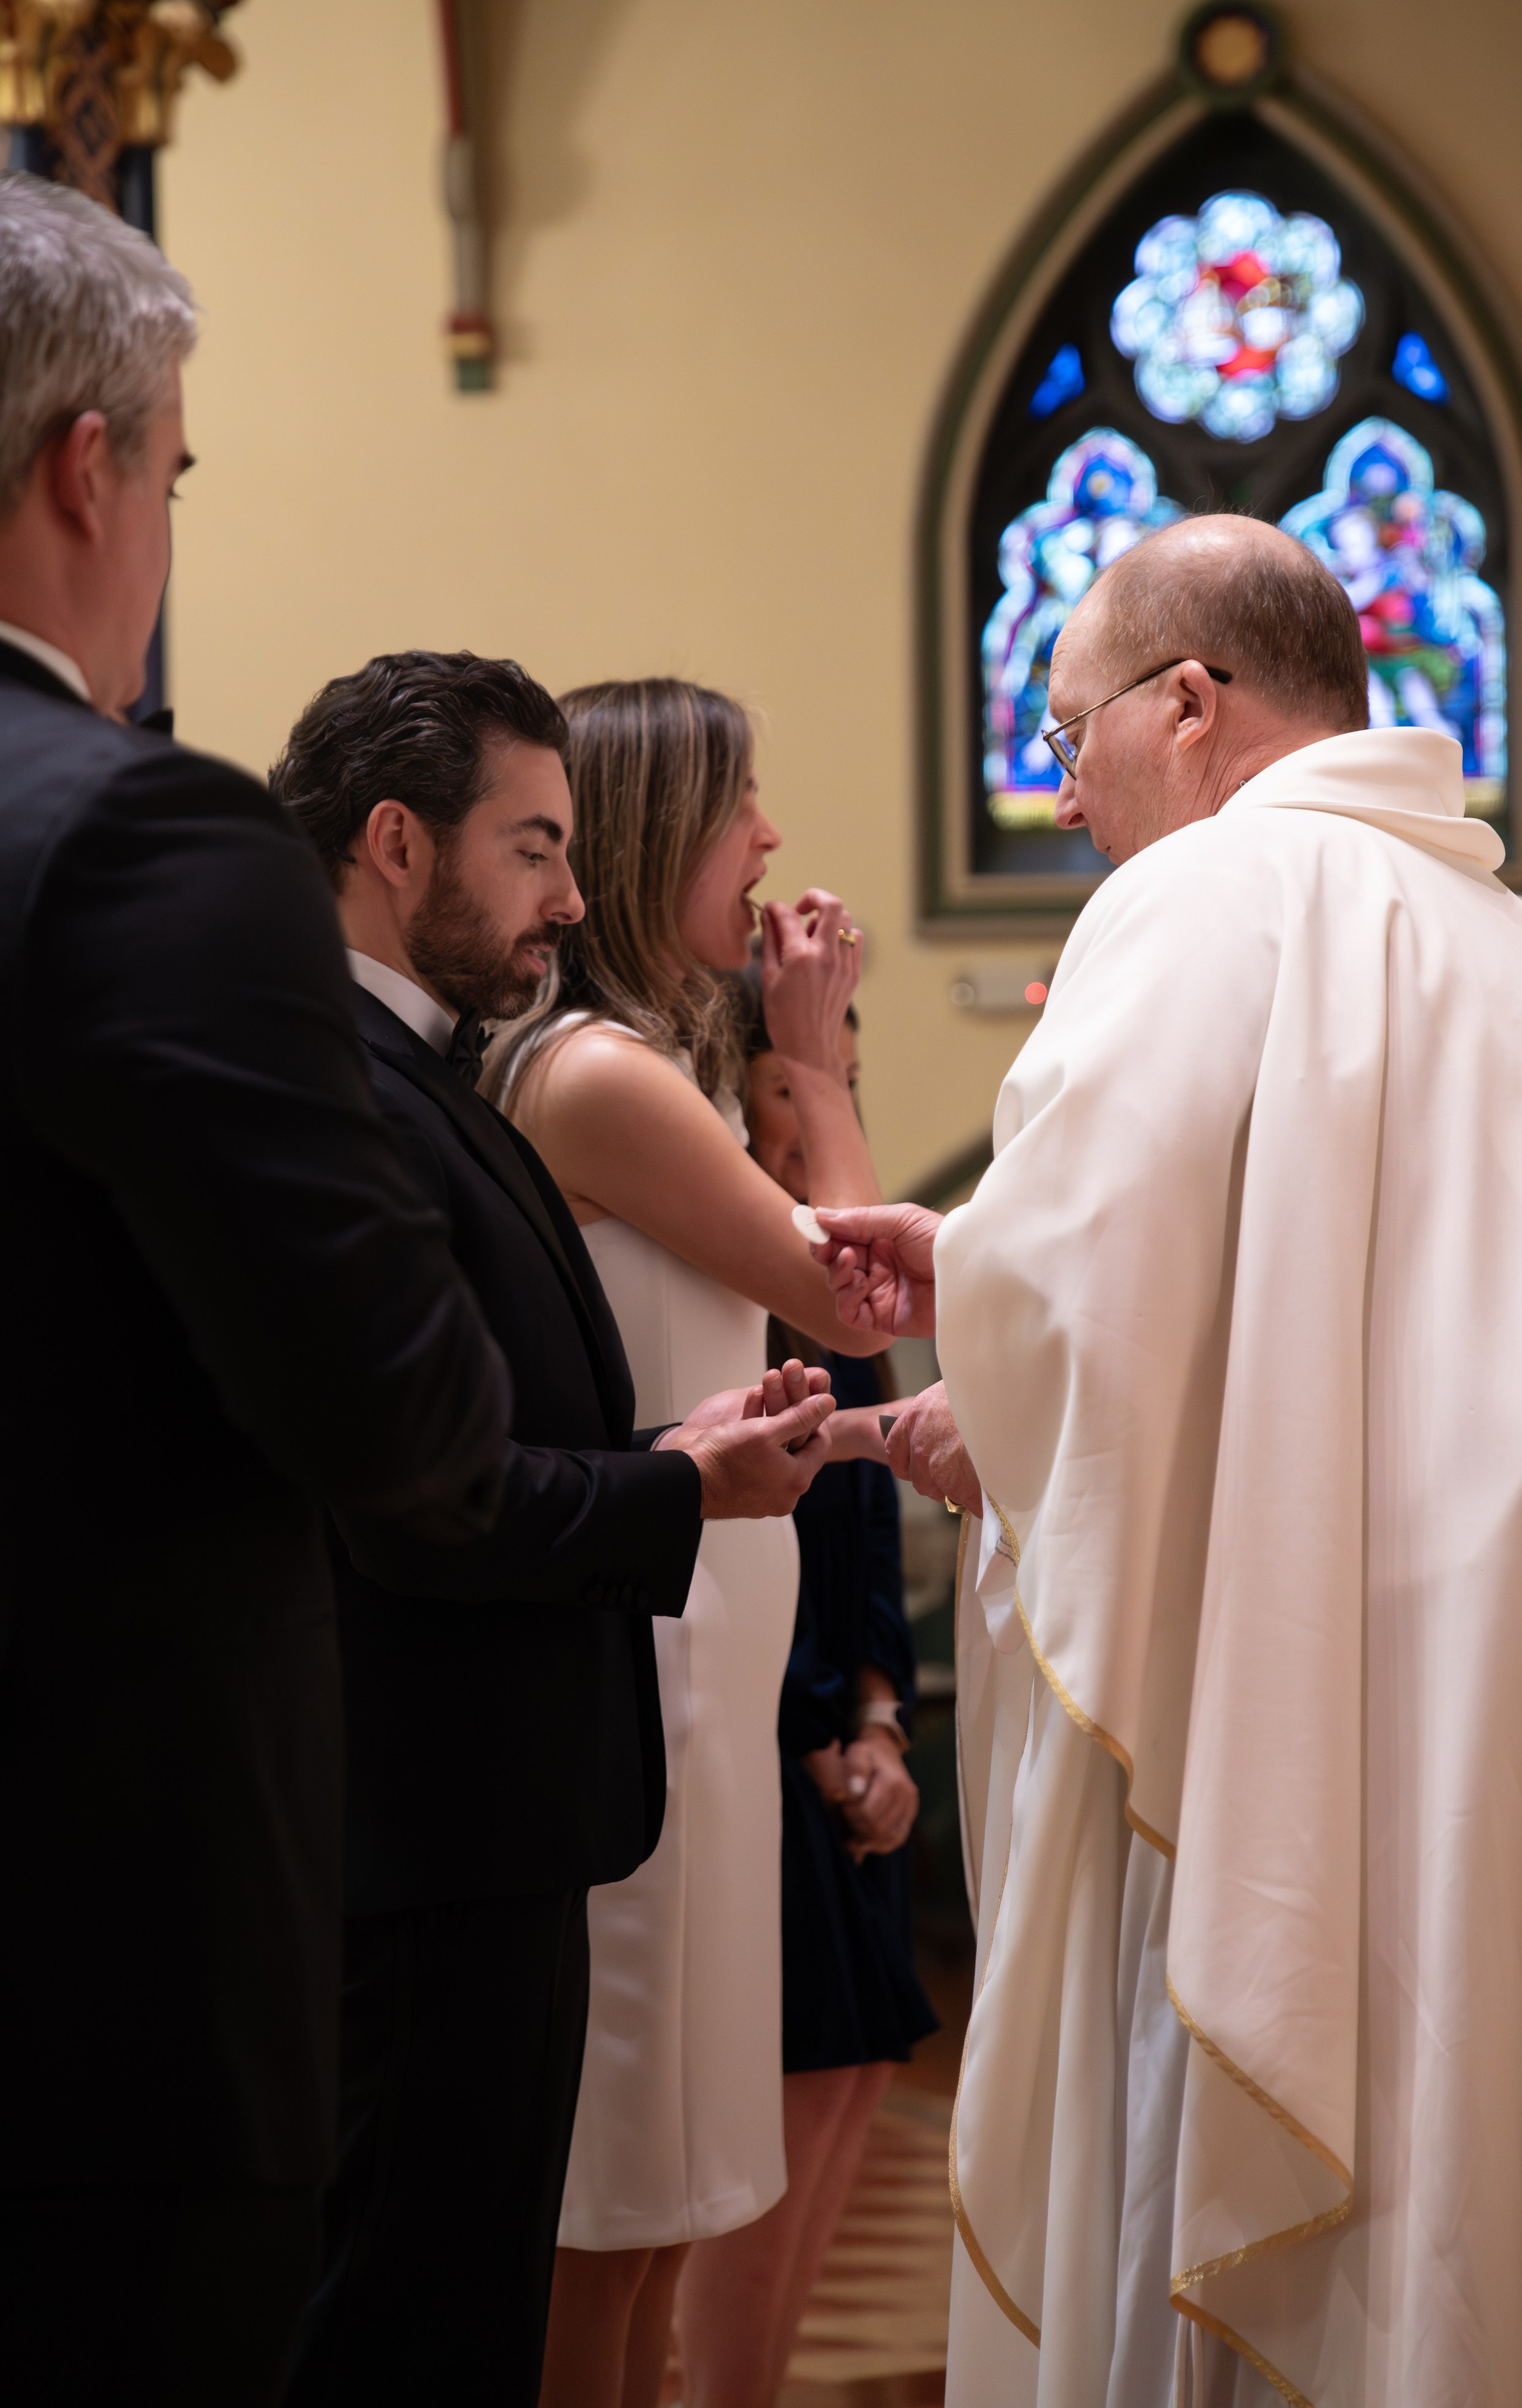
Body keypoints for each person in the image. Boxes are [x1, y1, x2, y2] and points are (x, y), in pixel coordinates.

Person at [814, 515, 1522, 2403]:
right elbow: (1342, 1271)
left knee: (1302, 2154)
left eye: (1066, 735)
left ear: (1191, 705)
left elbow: (1097, 1285)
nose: (1064, 793)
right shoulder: (1513, 943)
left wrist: (996, 1353)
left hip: (1353, 1650)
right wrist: (999, 1278)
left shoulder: (1219, 884)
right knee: (1516, 2154)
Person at [0, 175, 515, 2407]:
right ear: (89, 466)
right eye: (176, 476)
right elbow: (403, 1411)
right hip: (90, 1950)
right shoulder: (132, 833)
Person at [269, 654, 835, 2408]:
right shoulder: (358, 1082)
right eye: (530, 847)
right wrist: (679, 1484)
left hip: (539, 1767)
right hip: (452, 1792)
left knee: (515, 2257)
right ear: (391, 844)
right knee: (439, 2300)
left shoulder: (433, 1066)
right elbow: (422, 1494)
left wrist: (677, 1443)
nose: (569, 896)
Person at [482, 676, 890, 2408]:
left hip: (712, 1639)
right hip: (648, 1659)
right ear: (662, 838)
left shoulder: (666, 1074)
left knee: (679, 2184)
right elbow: (858, 1288)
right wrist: (813, 1053)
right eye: (745, 806)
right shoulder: (600, 1074)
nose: (774, 840)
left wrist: (795, 1078)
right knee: (623, 2177)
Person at [669, 979, 937, 2407]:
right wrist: (820, 1735)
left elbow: (869, 1524)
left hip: (844, 1727)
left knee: (851, 2077)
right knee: (787, 2087)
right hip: (770, 1731)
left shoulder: (835, 1249)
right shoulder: (721, 1248)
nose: (815, 1094)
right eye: (794, 1077)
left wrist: (882, 1720)